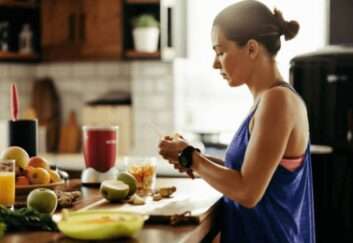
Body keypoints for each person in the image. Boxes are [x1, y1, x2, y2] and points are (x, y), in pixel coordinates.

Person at [158, 1, 315, 242]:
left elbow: (247, 191)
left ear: (252, 49)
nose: (215, 63)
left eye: (220, 51)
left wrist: (193, 158)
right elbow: (246, 172)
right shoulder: (267, 100)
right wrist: (191, 156)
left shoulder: (278, 101)